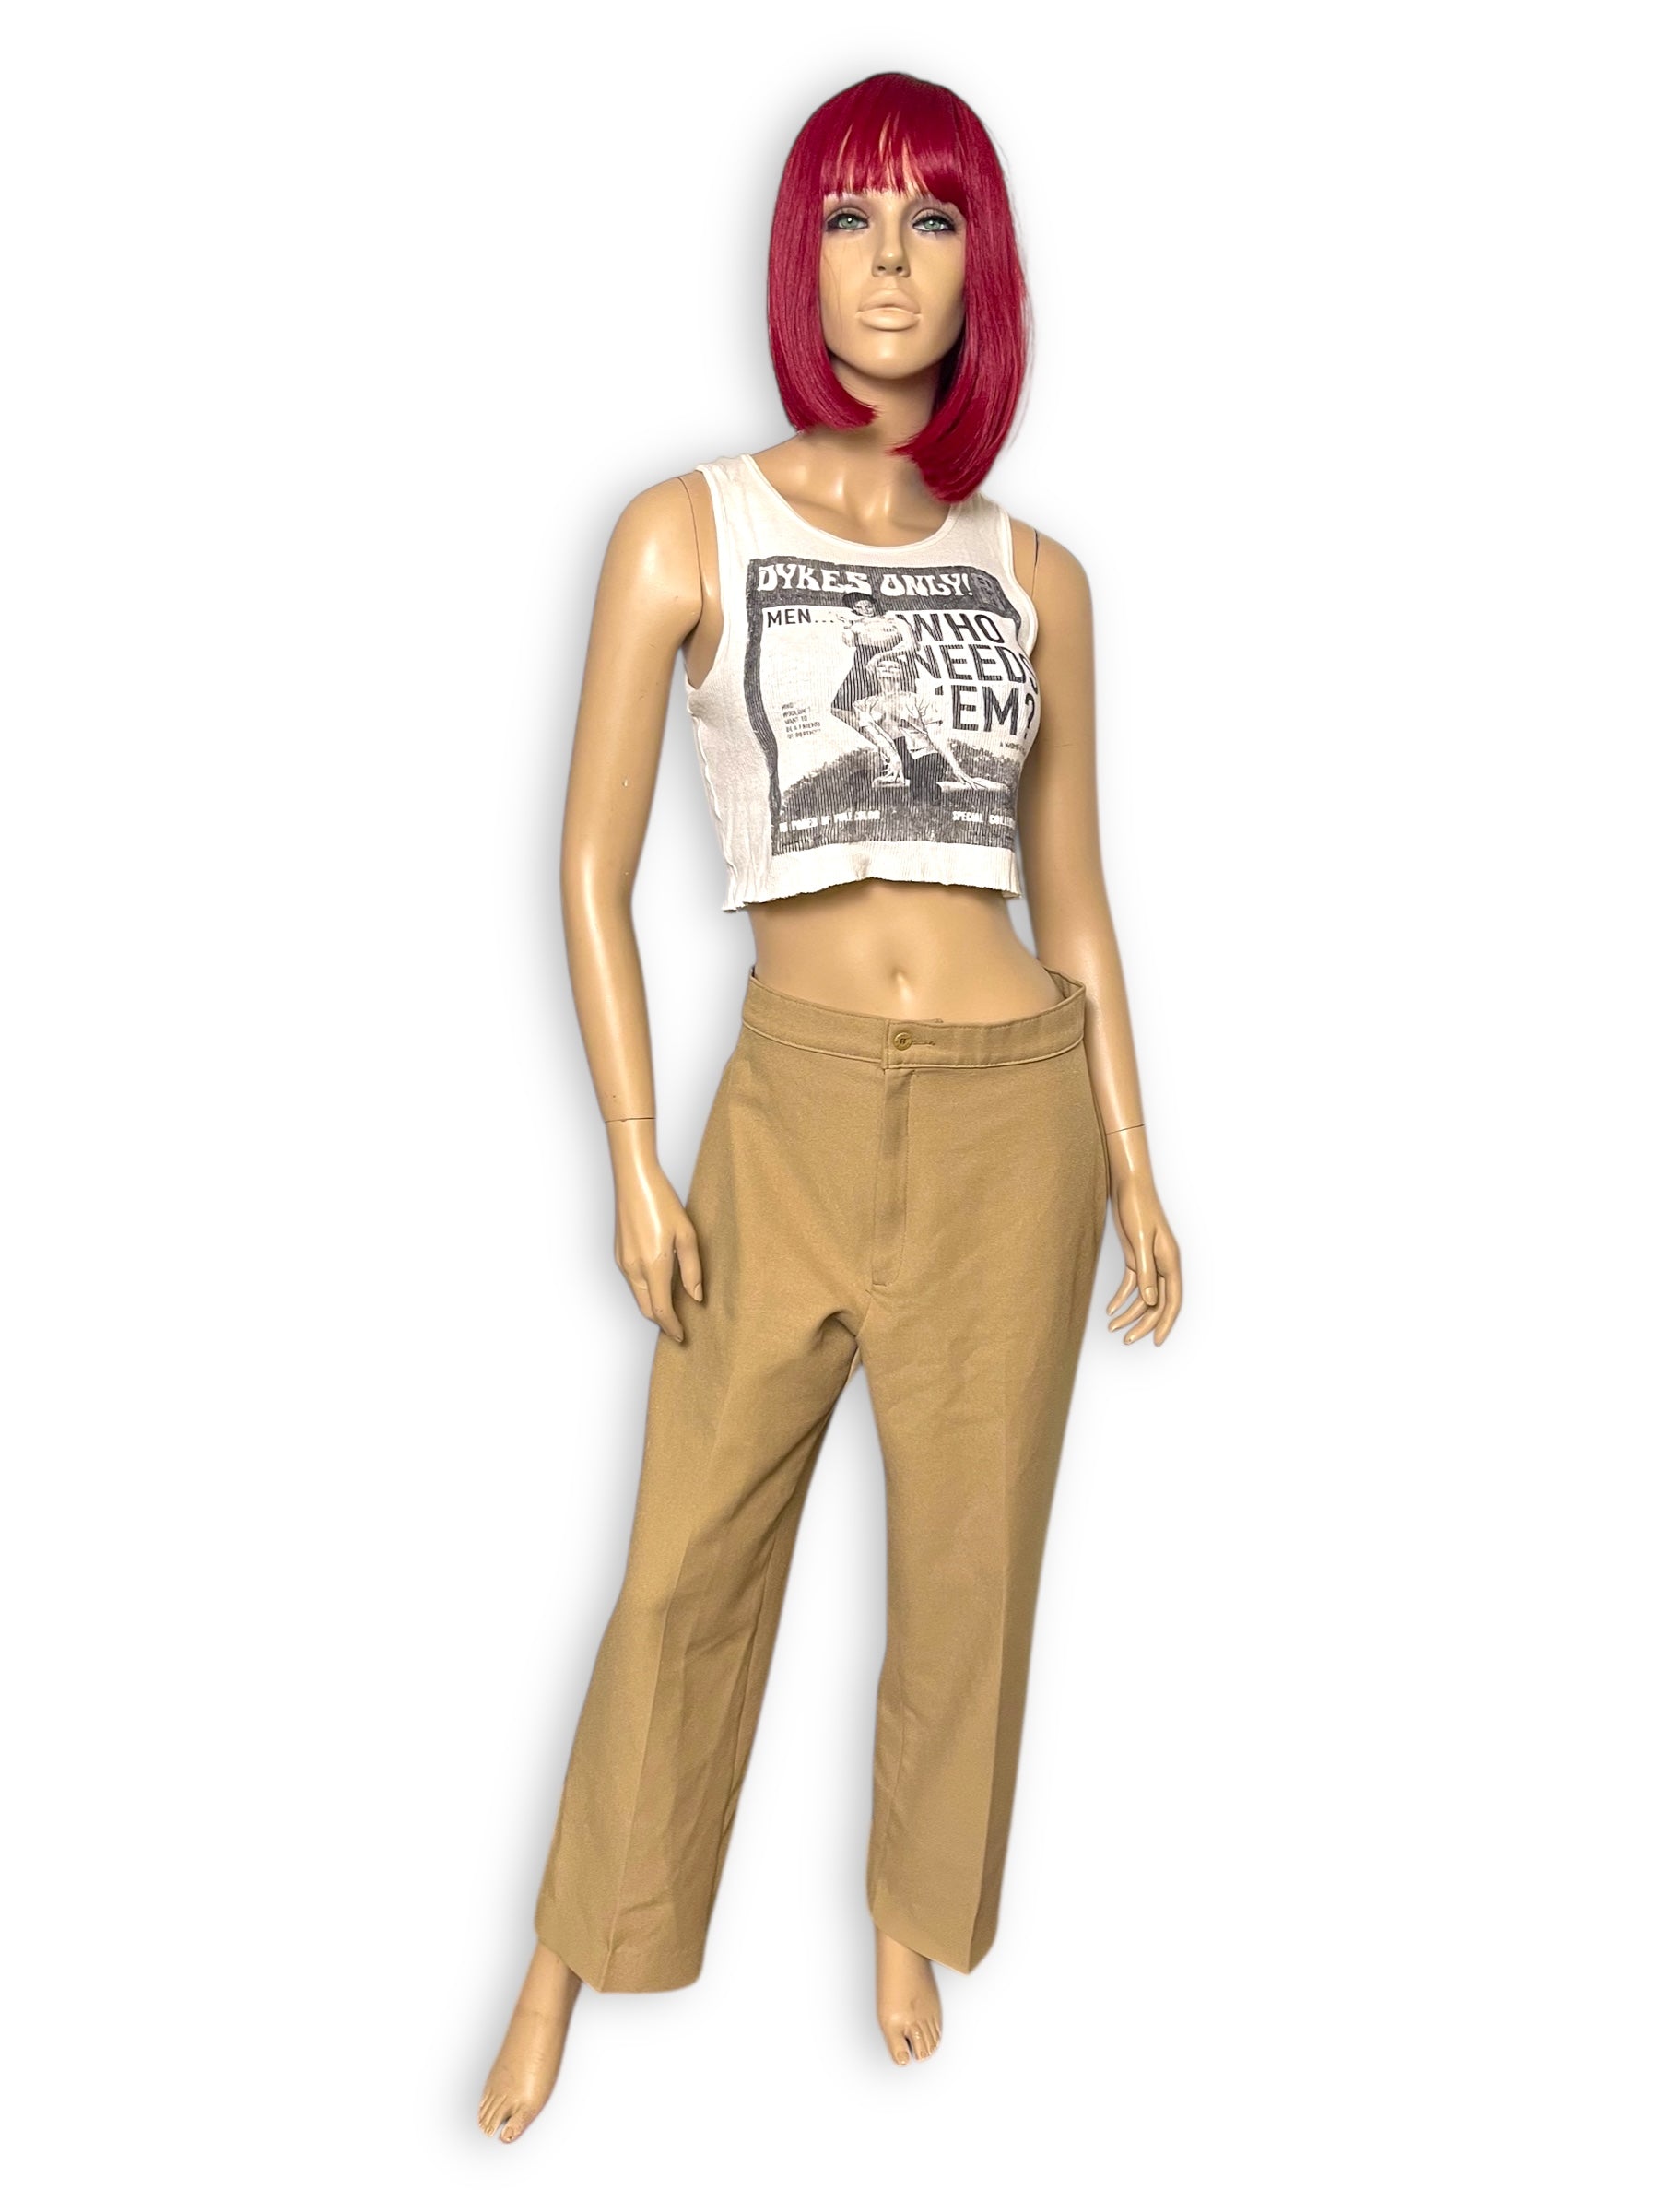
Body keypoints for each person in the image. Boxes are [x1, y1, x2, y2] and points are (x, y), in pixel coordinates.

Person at [478, 68, 1182, 2143]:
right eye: (852, 219)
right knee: (681, 1567)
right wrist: (631, 1153)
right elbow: (587, 866)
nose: (890, 264)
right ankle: (571, 1957)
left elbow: (1075, 896)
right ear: (800, 259)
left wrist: (1136, 1164)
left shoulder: (1037, 577)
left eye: (932, 220)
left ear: (984, 267)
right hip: (784, 1110)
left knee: (973, 1565)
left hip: (1011, 1119)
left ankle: (908, 1912)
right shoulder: (687, 529)